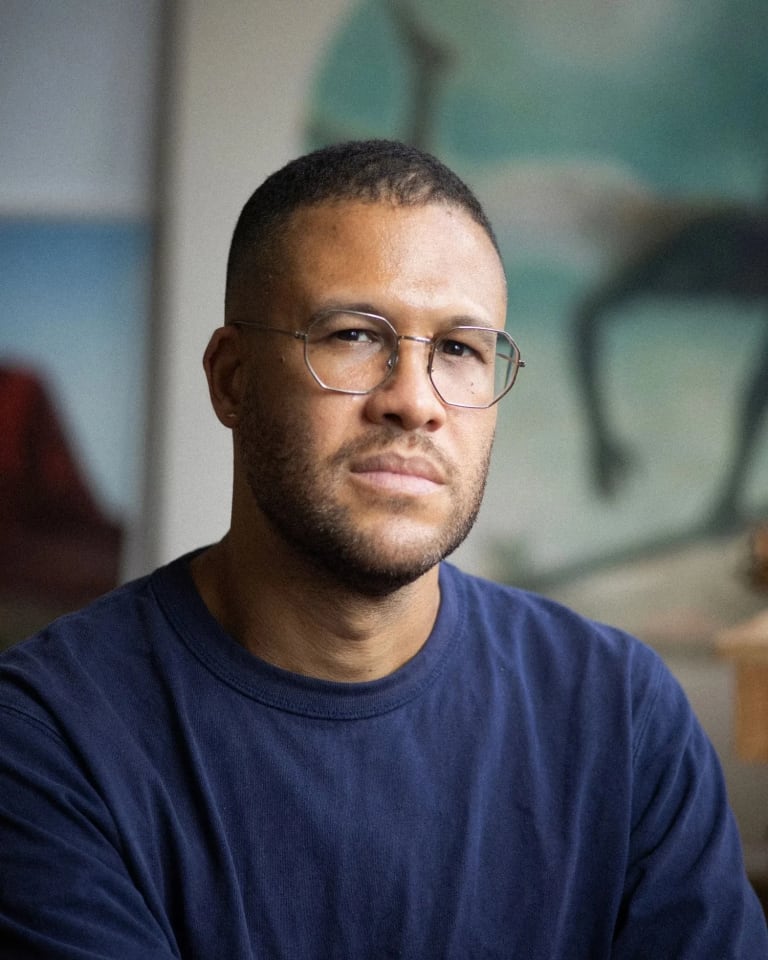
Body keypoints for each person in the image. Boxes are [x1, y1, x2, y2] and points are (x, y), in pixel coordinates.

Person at [0, 140, 765, 959]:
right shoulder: (48, 736)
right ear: (231, 378)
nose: (414, 401)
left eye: (461, 350)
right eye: (355, 336)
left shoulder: (621, 715)